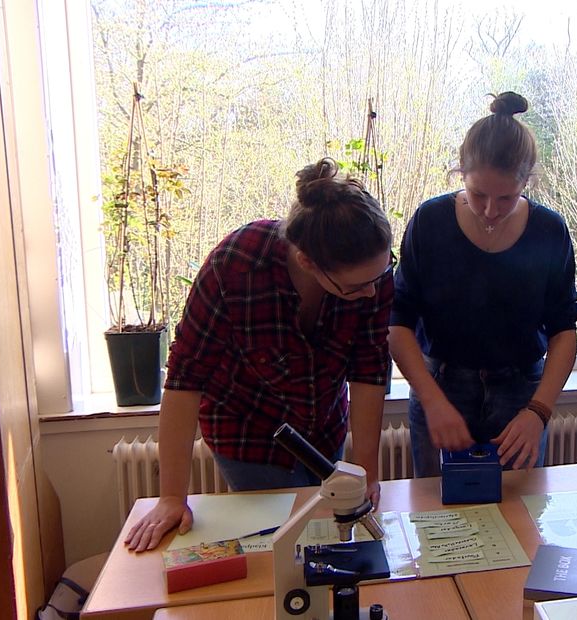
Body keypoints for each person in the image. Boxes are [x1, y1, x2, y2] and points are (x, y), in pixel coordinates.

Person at [125, 158, 394, 552]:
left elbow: (369, 372)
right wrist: (171, 497)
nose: (373, 293)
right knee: (280, 546)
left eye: (380, 277)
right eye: (357, 287)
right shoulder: (235, 266)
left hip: (323, 425)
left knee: (327, 534)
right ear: (307, 262)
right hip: (247, 429)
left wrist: (366, 474)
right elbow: (184, 381)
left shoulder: (370, 274)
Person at [390, 91, 577, 478]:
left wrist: (538, 412)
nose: (490, 211)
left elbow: (563, 331)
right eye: (478, 194)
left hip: (520, 393)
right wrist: (432, 400)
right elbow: (397, 323)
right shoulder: (431, 222)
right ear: (461, 173)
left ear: (527, 181)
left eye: (506, 197)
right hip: (440, 385)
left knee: (518, 518)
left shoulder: (549, 231)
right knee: (437, 521)